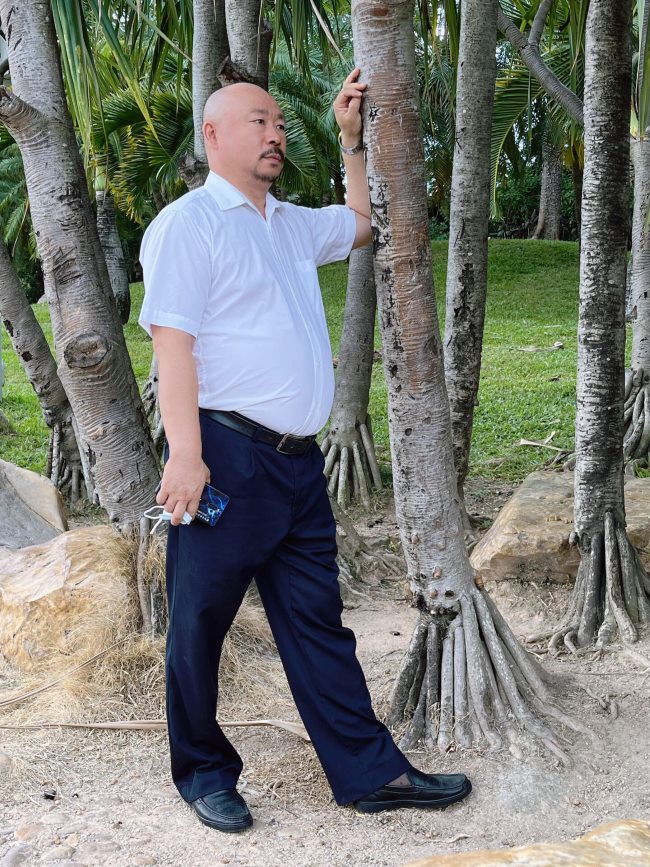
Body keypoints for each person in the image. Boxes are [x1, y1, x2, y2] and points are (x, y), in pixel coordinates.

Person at [139, 70, 471, 834]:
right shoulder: (188, 225)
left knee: (319, 621)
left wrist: (352, 142)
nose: (276, 133)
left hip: (297, 467)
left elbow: (361, 223)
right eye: (258, 120)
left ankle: (369, 773)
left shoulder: (288, 222)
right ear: (213, 135)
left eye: (281, 123)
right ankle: (203, 773)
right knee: (199, 623)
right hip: (226, 458)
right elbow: (172, 346)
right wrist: (185, 454)